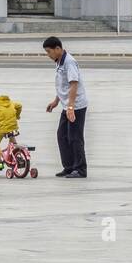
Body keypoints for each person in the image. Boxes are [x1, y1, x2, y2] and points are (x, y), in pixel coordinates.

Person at [43, 36, 88, 178]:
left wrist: (71, 107)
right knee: (62, 136)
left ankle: (80, 169)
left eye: (49, 52)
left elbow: (74, 84)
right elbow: (63, 85)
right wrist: (56, 101)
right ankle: (68, 167)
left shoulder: (69, 62)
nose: (48, 55)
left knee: (75, 137)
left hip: (76, 106)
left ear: (58, 49)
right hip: (66, 105)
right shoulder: (59, 61)